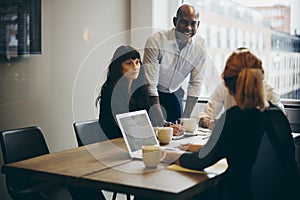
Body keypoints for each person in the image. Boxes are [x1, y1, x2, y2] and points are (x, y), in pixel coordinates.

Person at [164, 49, 299, 200]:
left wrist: (171, 155)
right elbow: (245, 150)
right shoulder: (276, 114)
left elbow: (200, 161)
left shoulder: (235, 117)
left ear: (227, 84)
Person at [143, 4, 209, 126]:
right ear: (175, 21)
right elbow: (150, 86)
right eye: (184, 22)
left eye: (193, 23)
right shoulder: (156, 41)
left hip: (174, 94)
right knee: (153, 135)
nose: (188, 28)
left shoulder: (200, 46)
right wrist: (161, 122)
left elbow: (196, 83)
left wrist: (185, 120)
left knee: (178, 132)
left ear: (198, 25)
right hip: (151, 97)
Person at [199, 47, 285, 129]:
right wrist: (206, 120)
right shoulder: (276, 114)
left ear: (229, 85)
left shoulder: (233, 117)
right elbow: (207, 114)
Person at [96, 45, 150, 139]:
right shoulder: (110, 91)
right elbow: (119, 127)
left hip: (135, 140)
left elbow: (146, 120)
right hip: (113, 142)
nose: (135, 67)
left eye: (137, 62)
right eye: (129, 63)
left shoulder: (141, 90)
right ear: (118, 67)